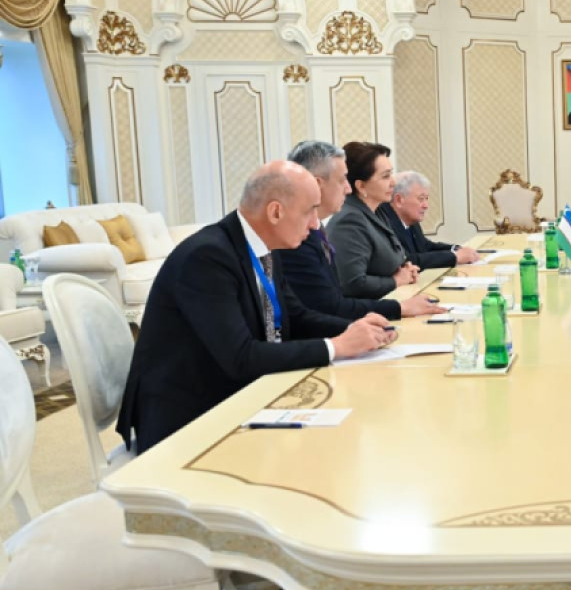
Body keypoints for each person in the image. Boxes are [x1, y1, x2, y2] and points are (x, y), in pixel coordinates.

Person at [116, 161, 392, 454]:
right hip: (189, 417)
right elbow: (240, 357)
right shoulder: (207, 257)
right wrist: (337, 346)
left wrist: (358, 330)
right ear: (275, 212)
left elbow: (296, 317)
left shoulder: (264, 245)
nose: (315, 224)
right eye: (310, 211)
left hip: (239, 391)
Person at [278, 141, 442, 321]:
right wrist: (397, 298)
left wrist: (404, 270)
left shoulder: (377, 212)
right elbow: (340, 296)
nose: (348, 188)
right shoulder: (304, 236)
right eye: (342, 180)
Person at [328, 141, 420, 300]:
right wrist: (396, 280)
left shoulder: (377, 212)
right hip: (368, 311)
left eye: (391, 174)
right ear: (361, 186)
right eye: (385, 176)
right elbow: (352, 283)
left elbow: (389, 259)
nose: (393, 182)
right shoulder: (349, 221)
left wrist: (405, 268)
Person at [376, 171, 480, 269]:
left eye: (426, 199)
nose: (426, 205)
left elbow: (425, 246)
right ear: (399, 200)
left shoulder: (410, 218)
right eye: (421, 199)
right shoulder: (383, 222)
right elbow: (405, 260)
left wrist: (456, 249)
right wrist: (454, 257)